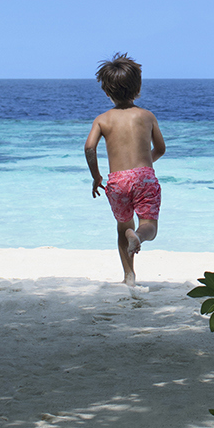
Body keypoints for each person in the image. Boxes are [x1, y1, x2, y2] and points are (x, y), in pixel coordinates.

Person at [83, 53, 166, 289]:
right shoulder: (146, 116)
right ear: (138, 88)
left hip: (116, 181)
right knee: (149, 225)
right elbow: (160, 148)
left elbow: (89, 147)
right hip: (144, 177)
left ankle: (129, 276)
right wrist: (145, 164)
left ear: (107, 92)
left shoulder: (102, 119)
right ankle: (139, 237)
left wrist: (96, 176)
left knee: (123, 226)